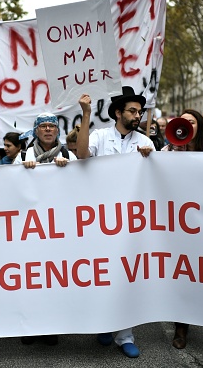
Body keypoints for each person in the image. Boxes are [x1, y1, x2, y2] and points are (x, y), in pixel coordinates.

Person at [77, 86, 154, 359]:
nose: (138, 115)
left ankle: (125, 335)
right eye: (133, 111)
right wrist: (86, 114)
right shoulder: (99, 136)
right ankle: (104, 324)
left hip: (131, 222)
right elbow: (83, 155)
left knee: (126, 276)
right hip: (100, 219)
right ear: (118, 113)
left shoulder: (146, 143)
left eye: (140, 111)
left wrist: (150, 161)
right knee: (102, 274)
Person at [160, 109, 203, 350]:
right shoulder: (167, 152)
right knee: (178, 272)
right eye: (182, 121)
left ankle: (191, 320)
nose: (186, 124)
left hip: (201, 223)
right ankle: (180, 324)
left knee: (197, 272)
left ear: (199, 126)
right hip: (173, 223)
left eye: (191, 121)